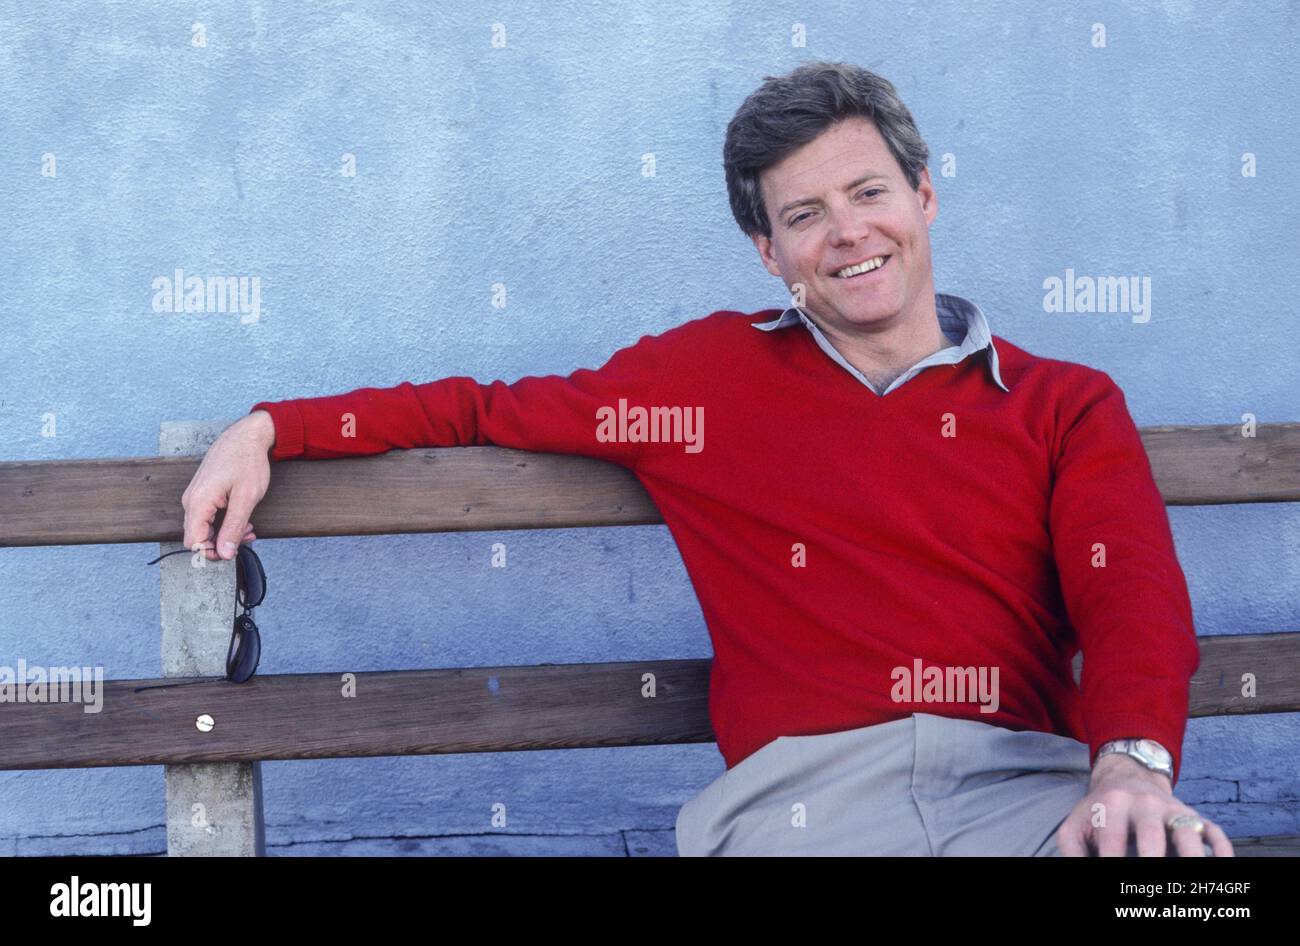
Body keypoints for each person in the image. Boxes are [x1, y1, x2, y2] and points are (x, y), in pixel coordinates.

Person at [180, 60, 1231, 857]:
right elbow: (480, 408)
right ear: (769, 255)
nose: (847, 233)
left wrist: (1131, 765)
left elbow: (1129, 595)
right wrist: (271, 426)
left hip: (1035, 795)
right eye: (804, 216)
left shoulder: (1064, 403)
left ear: (923, 198)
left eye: (869, 193)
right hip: (805, 810)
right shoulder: (703, 383)